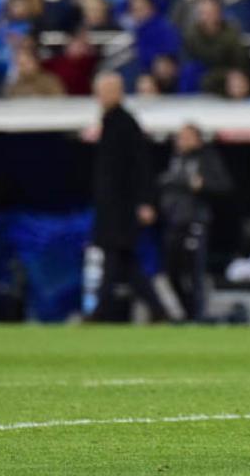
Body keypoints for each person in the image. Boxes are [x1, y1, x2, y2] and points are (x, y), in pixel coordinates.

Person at [90, 71, 167, 322]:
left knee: (114, 260)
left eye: (103, 90)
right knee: (125, 263)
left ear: (116, 92)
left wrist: (146, 201)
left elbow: (141, 167)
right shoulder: (109, 122)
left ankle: (100, 312)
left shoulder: (124, 123)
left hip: (121, 209)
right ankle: (158, 312)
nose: (98, 95)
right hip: (113, 208)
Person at [158, 123, 232, 322]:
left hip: (195, 222)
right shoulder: (175, 160)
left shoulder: (207, 159)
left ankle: (197, 316)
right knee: (171, 272)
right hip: (173, 222)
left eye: (186, 136)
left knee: (195, 273)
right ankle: (187, 310)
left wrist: (203, 185)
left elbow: (224, 185)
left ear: (198, 139)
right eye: (180, 136)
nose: (181, 140)